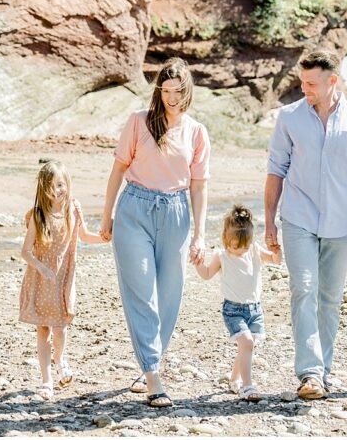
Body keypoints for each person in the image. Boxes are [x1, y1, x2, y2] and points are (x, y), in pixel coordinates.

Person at [264, 50, 347, 401]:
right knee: (303, 288)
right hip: (298, 216)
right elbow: (276, 169)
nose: (304, 89)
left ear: (333, 81)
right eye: (302, 82)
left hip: (340, 221)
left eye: (311, 83)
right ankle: (310, 373)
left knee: (330, 299)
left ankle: (323, 371)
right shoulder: (289, 118)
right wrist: (269, 221)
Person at [100, 58, 211, 408]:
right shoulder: (138, 122)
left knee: (169, 297)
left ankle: (150, 359)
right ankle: (152, 375)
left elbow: (199, 187)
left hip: (176, 214)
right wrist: (106, 217)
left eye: (178, 92)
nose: (171, 98)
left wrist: (199, 235)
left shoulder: (196, 132)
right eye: (165, 92)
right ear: (158, 91)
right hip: (134, 210)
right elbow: (117, 172)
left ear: (187, 90)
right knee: (142, 293)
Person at [19, 160, 106, 399]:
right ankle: (47, 381)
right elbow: (25, 251)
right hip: (41, 279)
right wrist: (42, 268)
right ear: (42, 188)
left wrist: (108, 237)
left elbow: (86, 236)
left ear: (67, 183)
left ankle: (60, 358)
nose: (56, 190)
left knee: (61, 328)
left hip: (64, 278)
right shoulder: (38, 215)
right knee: (43, 329)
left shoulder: (73, 209)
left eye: (60, 184)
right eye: (50, 186)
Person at [194, 205, 282, 401]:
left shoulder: (254, 250)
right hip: (233, 310)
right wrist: (198, 263)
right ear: (226, 238)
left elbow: (276, 261)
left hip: (255, 309)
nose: (240, 249)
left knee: (246, 347)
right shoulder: (222, 255)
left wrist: (276, 250)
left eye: (244, 245)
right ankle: (248, 386)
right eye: (235, 245)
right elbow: (207, 274)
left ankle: (235, 379)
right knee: (247, 343)